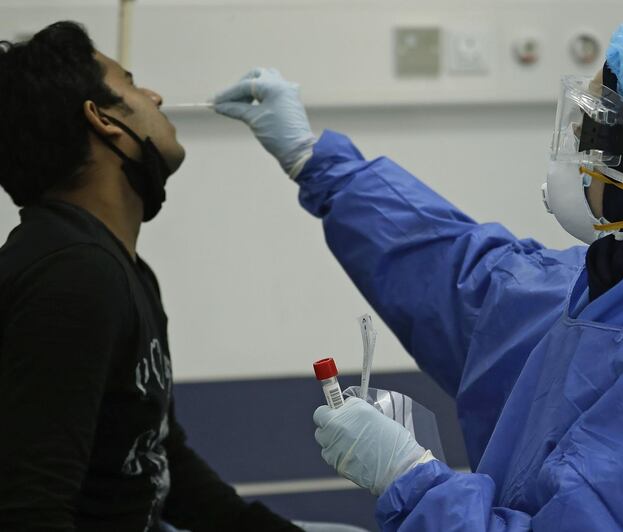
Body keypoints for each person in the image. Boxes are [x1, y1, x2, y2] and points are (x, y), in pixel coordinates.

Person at [214, 21, 623, 531]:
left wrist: (411, 481)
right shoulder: (606, 295)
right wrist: (315, 161)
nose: (572, 145)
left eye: (591, 131)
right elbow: (460, 272)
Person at [0, 21, 363, 532]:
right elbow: (30, 511)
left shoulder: (117, 269)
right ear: (102, 119)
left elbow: (159, 458)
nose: (156, 95)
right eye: (131, 83)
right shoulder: (71, 278)